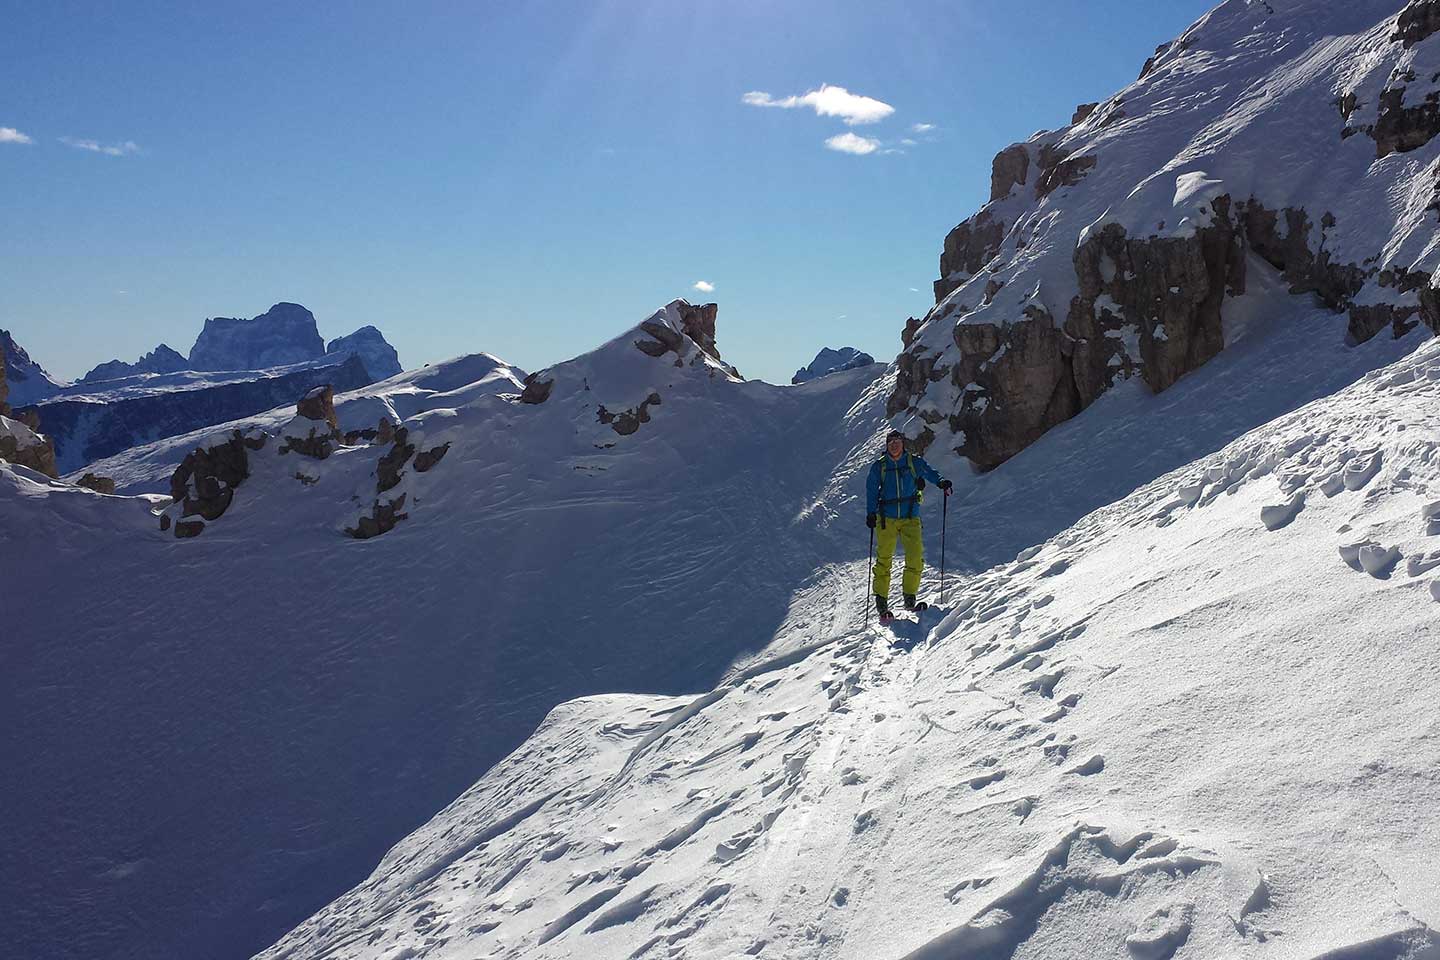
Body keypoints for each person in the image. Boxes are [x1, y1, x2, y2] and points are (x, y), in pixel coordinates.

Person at [866, 430, 951, 620]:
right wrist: (871, 513)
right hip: (886, 519)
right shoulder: (879, 467)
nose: (894, 445)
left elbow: (930, 472)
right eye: (891, 442)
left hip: (910, 517)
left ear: (903, 444)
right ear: (887, 446)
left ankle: (909, 599)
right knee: (884, 561)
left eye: (897, 442)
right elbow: (871, 489)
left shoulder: (914, 462)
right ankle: (882, 604)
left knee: (915, 557)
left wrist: (942, 482)